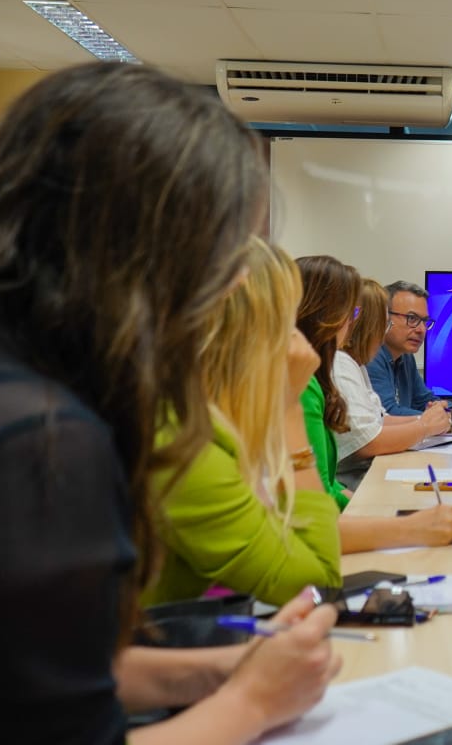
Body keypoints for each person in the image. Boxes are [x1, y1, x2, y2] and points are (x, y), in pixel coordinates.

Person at [0, 63, 336, 744]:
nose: (230, 292)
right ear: (160, 254)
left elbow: (19, 671)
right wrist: (253, 701)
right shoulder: (36, 441)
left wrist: (223, 669)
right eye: (226, 256)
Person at [146, 238, 342, 607]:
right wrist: (289, 408)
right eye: (287, 321)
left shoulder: (195, 418)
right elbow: (317, 584)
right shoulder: (183, 442)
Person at [295, 257, 452, 550]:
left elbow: (326, 488)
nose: (353, 322)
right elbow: (313, 516)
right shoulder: (304, 383)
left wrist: (377, 514)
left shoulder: (317, 374)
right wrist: (406, 526)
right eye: (352, 312)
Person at [332, 278, 452, 488]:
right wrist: (425, 425)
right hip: (353, 483)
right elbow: (368, 440)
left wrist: (442, 417)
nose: (422, 330)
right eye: (382, 324)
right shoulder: (341, 364)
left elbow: (380, 419)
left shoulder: (357, 364)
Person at [367, 279, 452, 433]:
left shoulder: (405, 356)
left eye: (425, 322)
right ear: (384, 317)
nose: (421, 330)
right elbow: (387, 414)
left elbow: (424, 400)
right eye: (412, 319)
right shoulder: (370, 355)